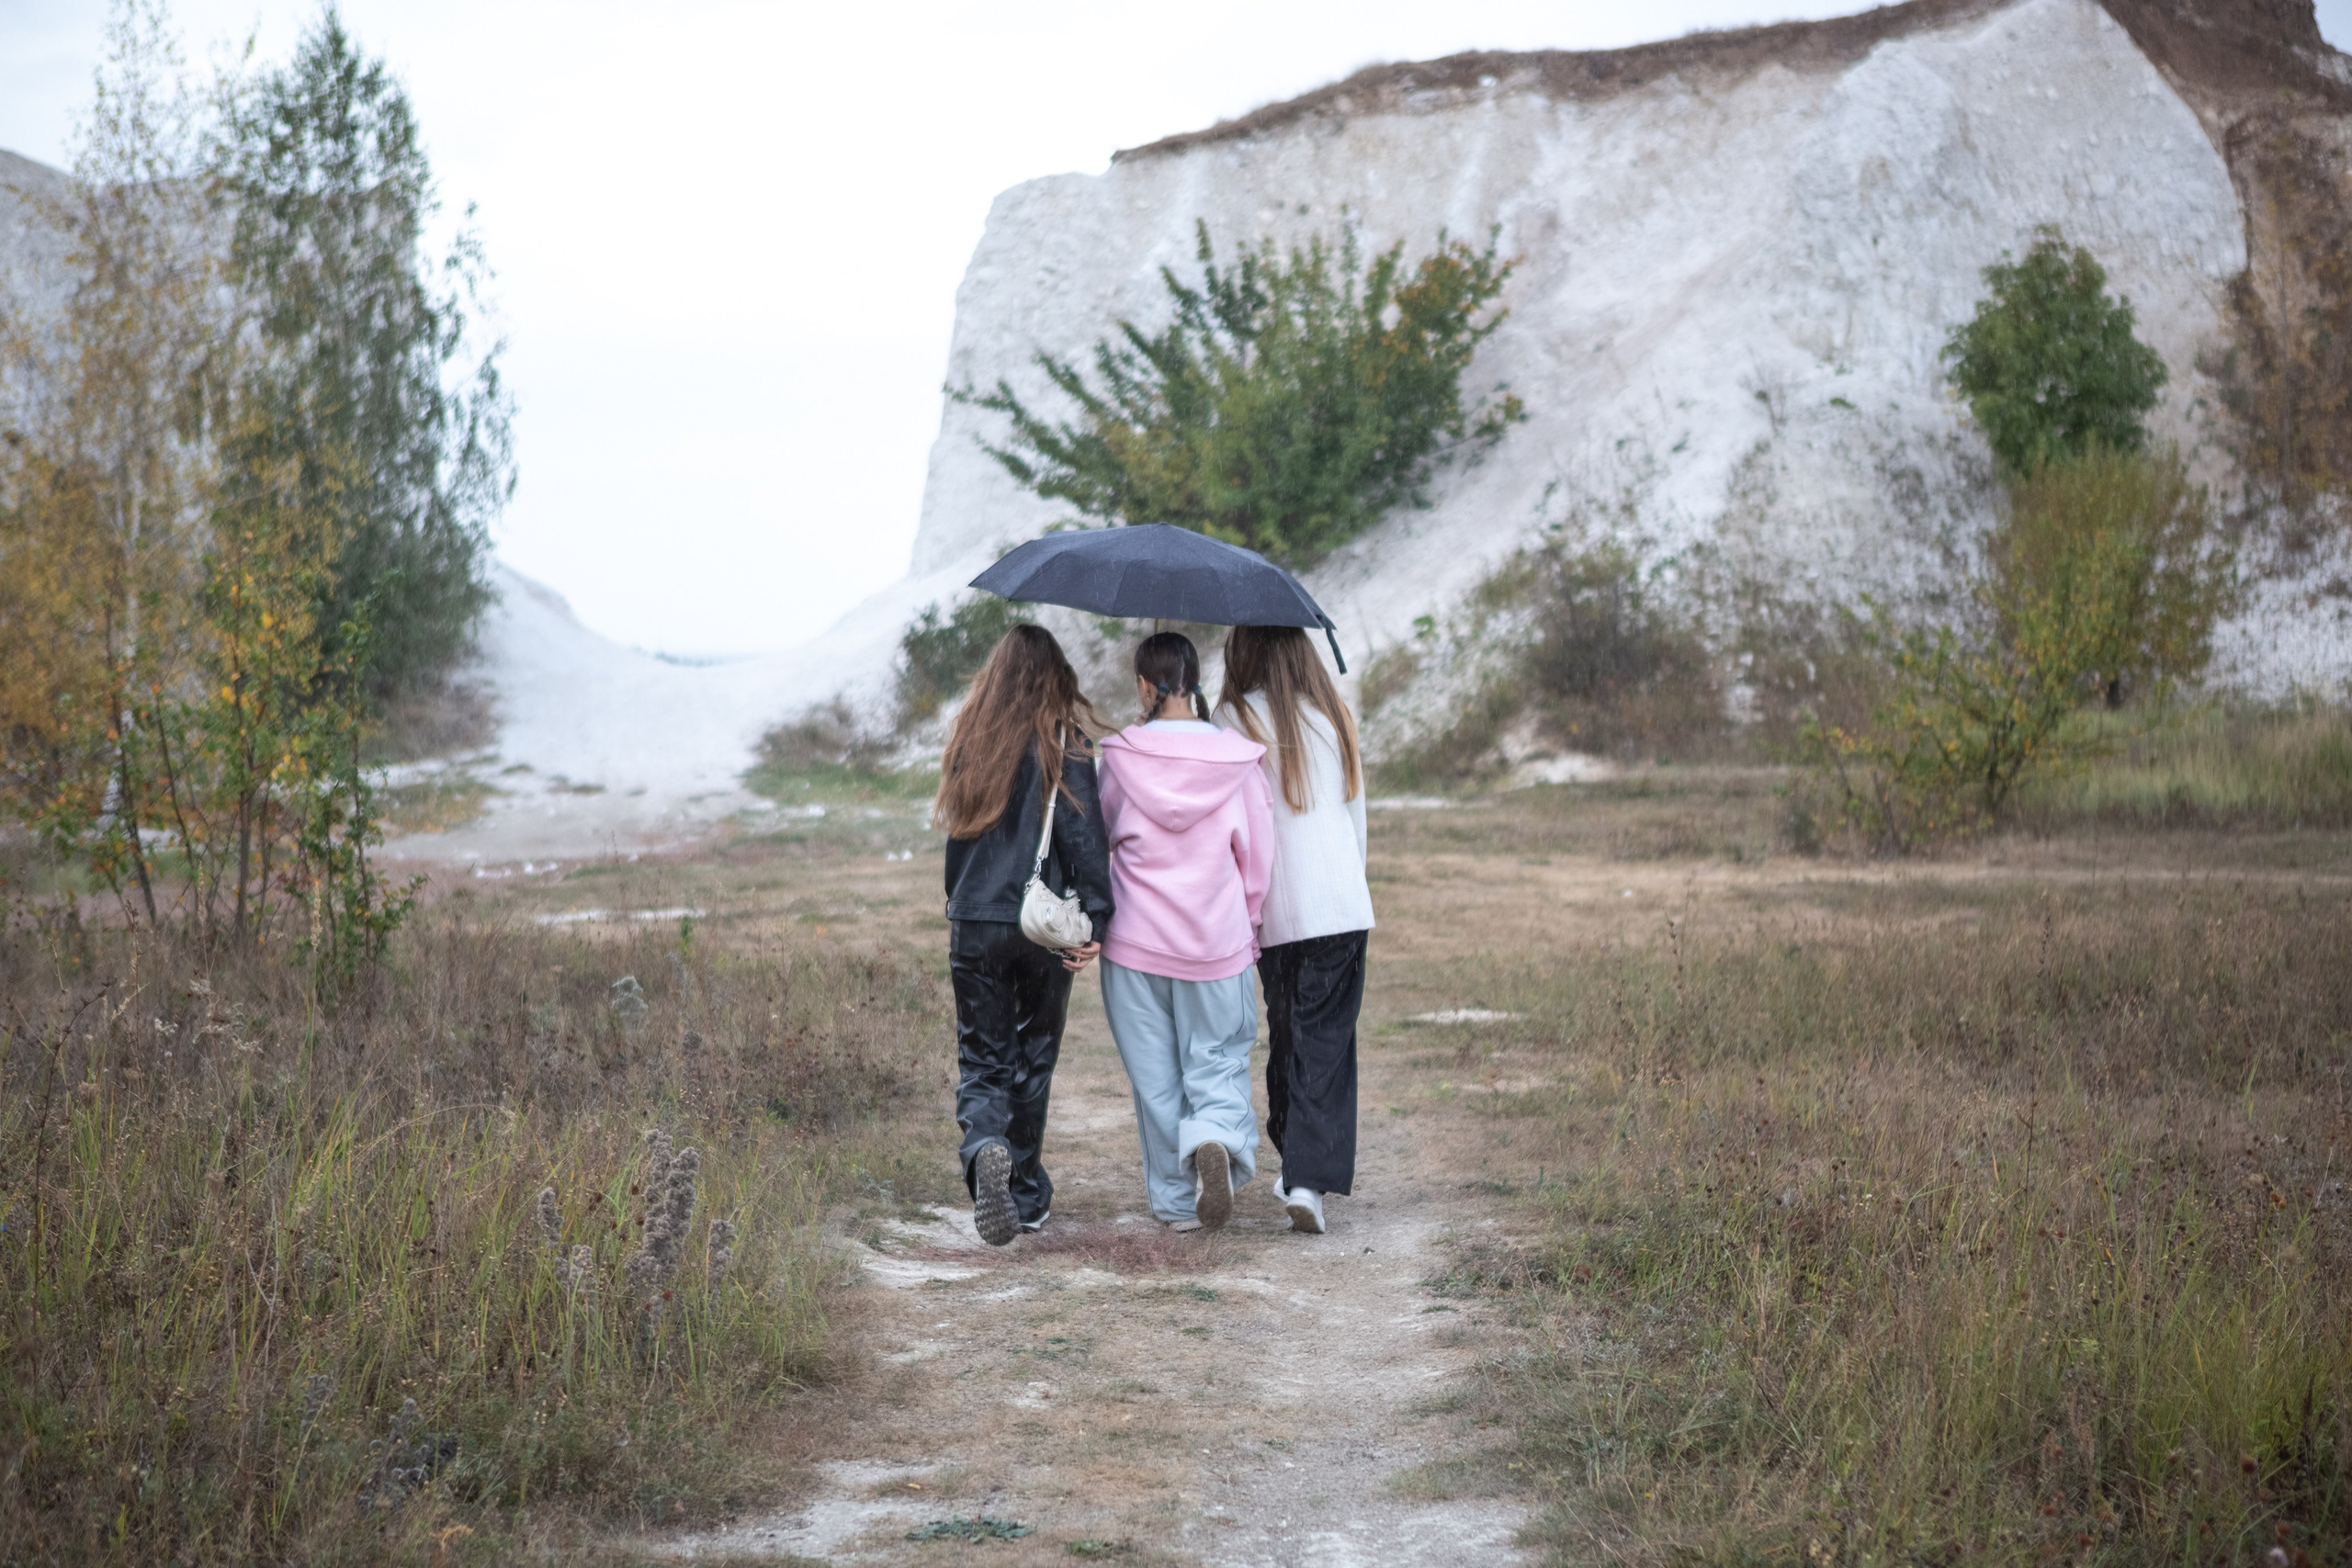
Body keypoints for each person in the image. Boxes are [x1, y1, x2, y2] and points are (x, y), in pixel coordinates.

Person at [936, 625, 1113, 1246]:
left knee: (982, 1057)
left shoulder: (970, 740)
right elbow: (1084, 837)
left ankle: (985, 1146)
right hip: (1038, 924)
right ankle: (1025, 1191)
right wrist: (1098, 915)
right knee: (1031, 1056)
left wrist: (961, 906)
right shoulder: (1065, 744)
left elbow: (957, 838)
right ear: (1055, 677)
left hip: (974, 918)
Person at [1097, 632, 1273, 1232]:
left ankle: (1176, 1204)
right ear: (1194, 681)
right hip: (1215, 939)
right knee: (1217, 1059)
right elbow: (1257, 856)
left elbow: (1101, 839)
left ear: (1146, 686)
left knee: (1156, 1077)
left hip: (1135, 940)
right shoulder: (1237, 757)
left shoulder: (1118, 755)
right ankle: (1215, 1137)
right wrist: (1245, 926)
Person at [1215, 625, 1374, 1235]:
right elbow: (1355, 812)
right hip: (1340, 906)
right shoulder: (1333, 713)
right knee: (1325, 1044)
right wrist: (1349, 887)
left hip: (1274, 909)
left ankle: (1296, 1164)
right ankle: (1305, 1178)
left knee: (1286, 1036)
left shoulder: (1232, 716)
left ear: (1245, 651)